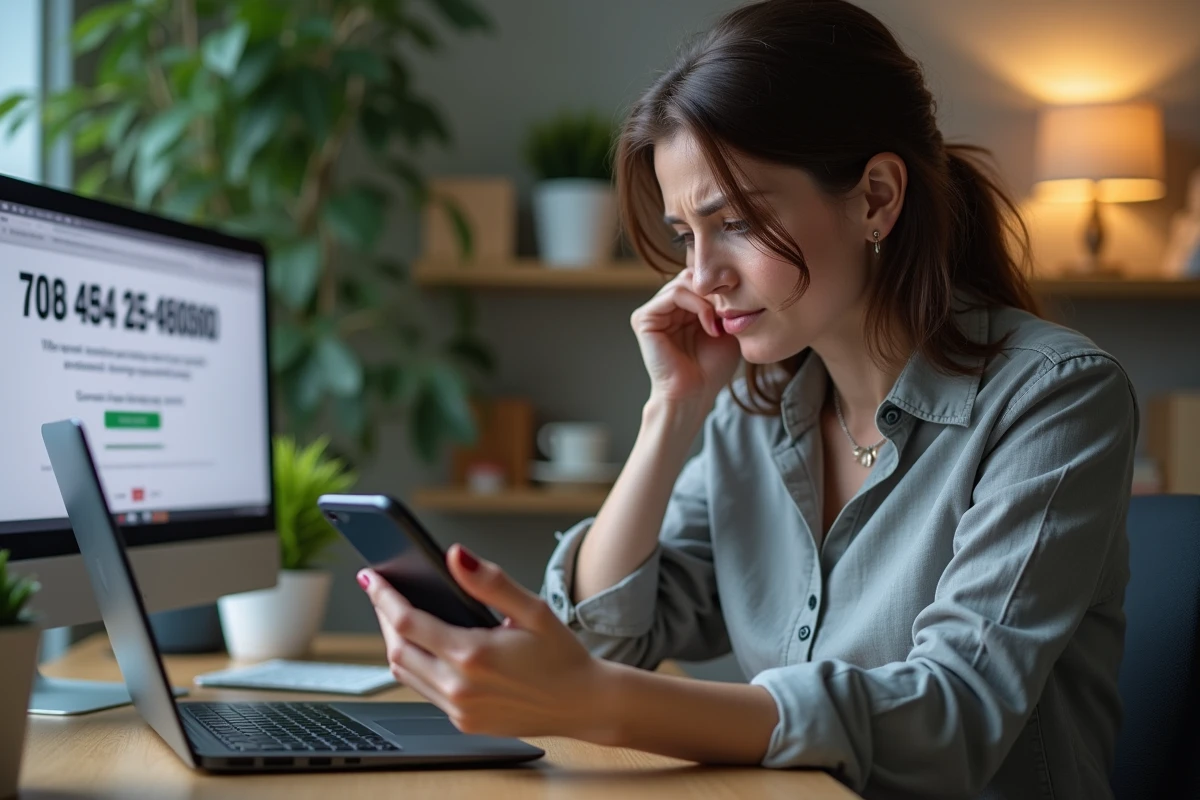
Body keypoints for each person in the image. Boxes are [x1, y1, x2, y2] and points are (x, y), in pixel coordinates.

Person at [357, 1, 1137, 797]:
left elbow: (953, 714)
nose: (702, 278)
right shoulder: (755, 409)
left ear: (874, 198)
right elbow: (610, 638)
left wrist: (600, 704)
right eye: (684, 236)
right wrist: (671, 414)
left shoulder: (1056, 398)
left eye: (733, 222)